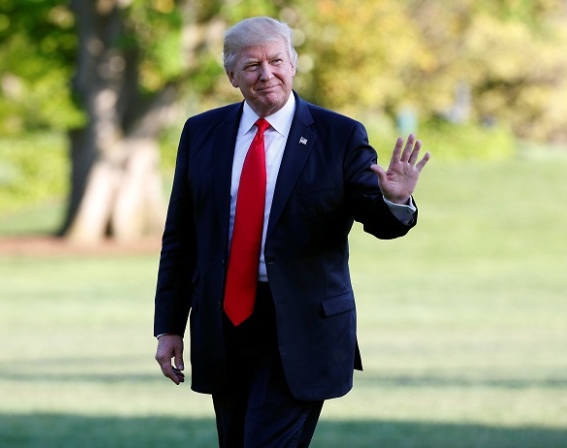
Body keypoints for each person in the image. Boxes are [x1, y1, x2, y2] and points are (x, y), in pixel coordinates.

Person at [154, 16, 430, 448]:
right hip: (224, 325)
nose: (267, 75)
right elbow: (180, 238)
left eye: (276, 61)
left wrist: (394, 200)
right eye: (252, 66)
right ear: (231, 76)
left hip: (301, 328)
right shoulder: (201, 133)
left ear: (294, 64)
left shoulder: (339, 135)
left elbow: (378, 221)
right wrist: (169, 327)